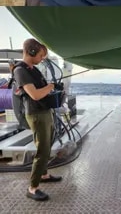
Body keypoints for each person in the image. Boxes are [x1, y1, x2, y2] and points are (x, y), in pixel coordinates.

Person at [12, 38, 63, 201]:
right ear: (31, 51)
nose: (42, 59)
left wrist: (51, 87)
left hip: (45, 111)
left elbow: (42, 89)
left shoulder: (33, 69)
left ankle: (44, 175)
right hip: (36, 114)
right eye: (41, 55)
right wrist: (50, 87)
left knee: (48, 145)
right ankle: (32, 188)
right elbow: (35, 94)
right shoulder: (20, 71)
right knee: (42, 151)